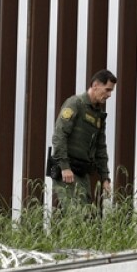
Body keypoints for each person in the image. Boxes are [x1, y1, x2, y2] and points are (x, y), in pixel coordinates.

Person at [51, 69, 117, 210]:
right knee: (76, 216)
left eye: (111, 91)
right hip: (67, 172)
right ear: (95, 85)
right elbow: (59, 135)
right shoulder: (75, 104)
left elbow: (101, 148)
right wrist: (65, 167)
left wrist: (105, 178)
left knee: (85, 217)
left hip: (82, 173)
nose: (109, 95)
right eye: (107, 90)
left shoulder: (98, 115)